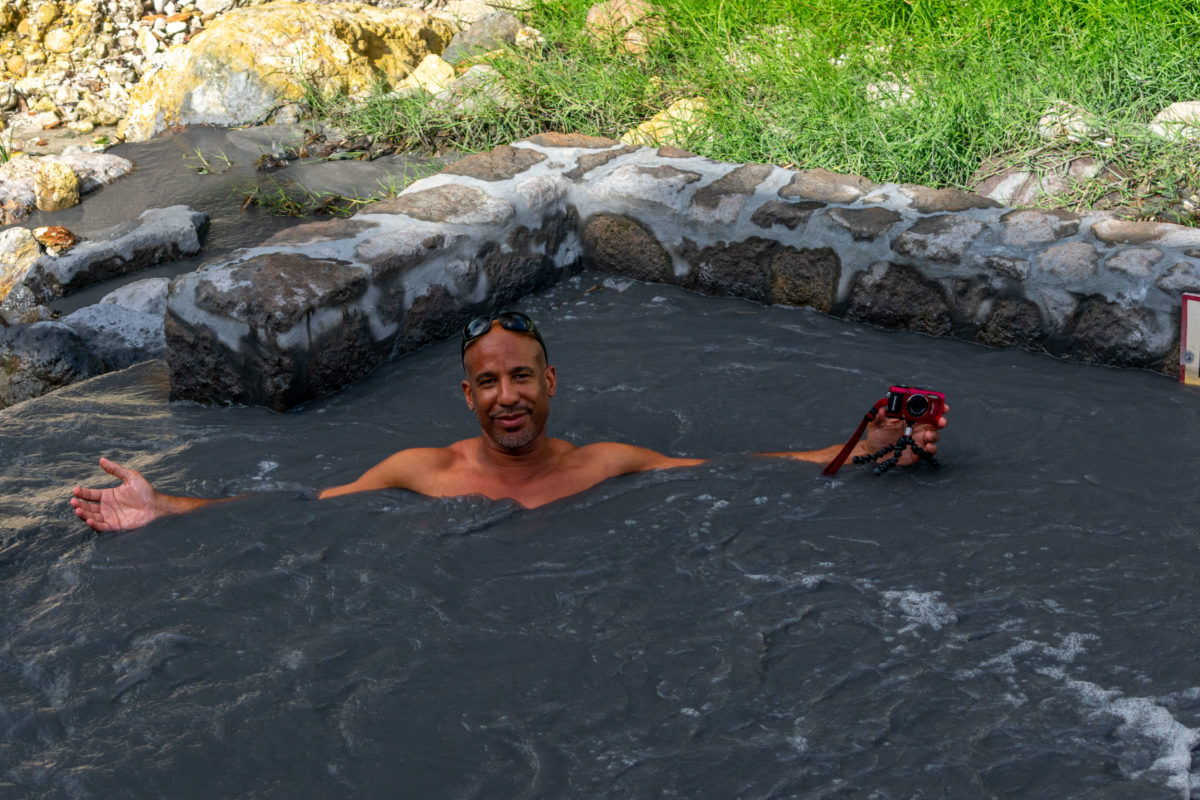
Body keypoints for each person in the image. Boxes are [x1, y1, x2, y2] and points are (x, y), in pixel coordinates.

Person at [71, 311, 948, 532]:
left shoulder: (604, 463)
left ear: (550, 382)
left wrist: (857, 447)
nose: (506, 397)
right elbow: (301, 503)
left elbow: (727, 468)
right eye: (487, 383)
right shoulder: (423, 472)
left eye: (520, 377)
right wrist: (168, 508)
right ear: (467, 398)